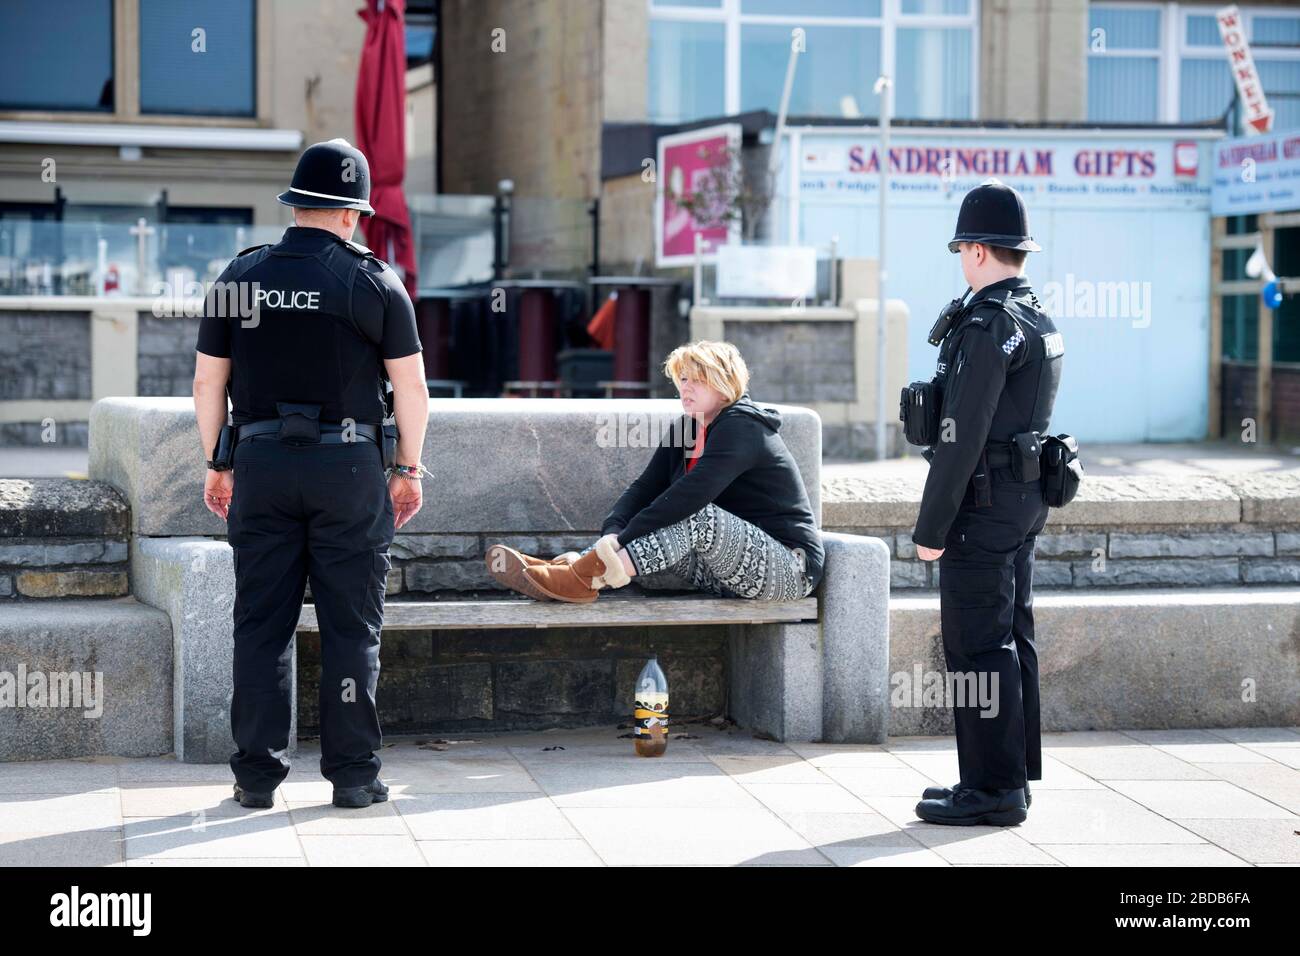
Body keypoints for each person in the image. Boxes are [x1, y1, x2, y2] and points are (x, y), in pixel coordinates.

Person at [193, 138, 429, 810]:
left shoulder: (238, 278)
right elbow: (410, 388)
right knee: (352, 628)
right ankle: (354, 778)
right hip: (350, 468)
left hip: (261, 465)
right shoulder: (376, 281)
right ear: (354, 214)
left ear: (295, 205)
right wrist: (407, 468)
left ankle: (256, 778)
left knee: (260, 625)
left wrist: (218, 460)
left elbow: (210, 380)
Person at [910, 179, 1064, 827]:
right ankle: (1009, 778)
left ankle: (992, 789)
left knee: (977, 646)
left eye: (961, 250)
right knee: (1010, 635)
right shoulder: (1035, 316)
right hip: (1023, 499)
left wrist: (932, 525)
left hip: (982, 504)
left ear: (976, 250)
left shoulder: (984, 324)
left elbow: (961, 436)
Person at [485, 340, 823, 605]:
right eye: (683, 379)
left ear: (724, 385)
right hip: (724, 575)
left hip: (788, 570)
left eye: (697, 380)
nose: (685, 388)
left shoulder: (743, 428)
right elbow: (645, 487)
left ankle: (583, 575)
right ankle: (575, 569)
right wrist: (612, 532)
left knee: (695, 516)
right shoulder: (687, 429)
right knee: (662, 531)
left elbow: (690, 496)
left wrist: (624, 540)